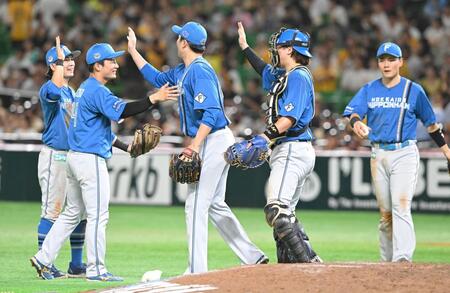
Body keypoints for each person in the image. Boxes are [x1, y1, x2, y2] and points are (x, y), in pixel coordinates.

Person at [30, 42, 179, 281]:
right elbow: (122, 111)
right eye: (111, 61)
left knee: (72, 213)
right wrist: (153, 98)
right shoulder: (96, 90)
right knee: (98, 216)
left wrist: (125, 146)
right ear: (97, 65)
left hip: (75, 158)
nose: (116, 64)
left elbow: (98, 130)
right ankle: (96, 270)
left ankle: (43, 258)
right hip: (88, 159)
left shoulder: (83, 90)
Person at [127, 22, 268, 274]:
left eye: (178, 37)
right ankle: (253, 256)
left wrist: (194, 145)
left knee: (195, 204)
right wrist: (133, 51)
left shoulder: (200, 71)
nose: (176, 41)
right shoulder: (184, 70)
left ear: (184, 42)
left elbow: (212, 113)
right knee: (214, 203)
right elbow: (157, 78)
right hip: (210, 139)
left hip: (212, 139)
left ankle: (196, 269)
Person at [343, 42, 450, 262]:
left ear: (401, 62)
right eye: (382, 60)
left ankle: (402, 259)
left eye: (391, 59)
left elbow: (431, 125)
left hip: (405, 153)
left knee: (400, 206)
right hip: (378, 153)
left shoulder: (414, 90)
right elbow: (352, 112)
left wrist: (447, 151)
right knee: (386, 216)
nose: (386, 64)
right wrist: (356, 123)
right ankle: (387, 263)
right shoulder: (369, 89)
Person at [237, 22, 321, 263]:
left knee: (277, 211)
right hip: (291, 149)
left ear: (290, 50)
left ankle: (309, 261)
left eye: (279, 47)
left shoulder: (298, 76)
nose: (275, 51)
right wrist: (244, 47)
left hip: (292, 148)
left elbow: (289, 118)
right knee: (285, 216)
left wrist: (264, 137)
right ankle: (289, 269)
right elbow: (263, 69)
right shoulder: (287, 74)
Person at [36, 36, 86, 278]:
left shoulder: (71, 90)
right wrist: (56, 61)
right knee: (52, 212)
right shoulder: (49, 88)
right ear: (53, 65)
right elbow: (53, 92)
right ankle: (43, 263)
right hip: (54, 156)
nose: (70, 63)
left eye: (71, 59)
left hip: (72, 156)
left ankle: (76, 264)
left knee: (79, 210)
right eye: (64, 60)